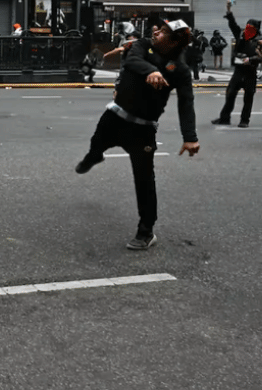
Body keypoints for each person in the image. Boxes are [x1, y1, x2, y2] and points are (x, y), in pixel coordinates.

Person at [75, 20, 200, 250]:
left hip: (142, 129)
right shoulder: (144, 45)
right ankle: (94, 156)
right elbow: (133, 60)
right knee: (95, 146)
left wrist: (190, 137)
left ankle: (146, 231)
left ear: (174, 41)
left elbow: (186, 103)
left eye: (163, 32)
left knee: (144, 180)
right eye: (159, 28)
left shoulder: (180, 70)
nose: (156, 31)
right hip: (115, 116)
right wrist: (151, 71)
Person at [211, 0, 262, 128]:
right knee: (230, 93)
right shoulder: (241, 35)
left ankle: (244, 120)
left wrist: (250, 60)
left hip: (250, 72)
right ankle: (224, 118)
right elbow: (233, 24)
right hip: (239, 70)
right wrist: (228, 9)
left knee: (248, 97)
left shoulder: (261, 41)